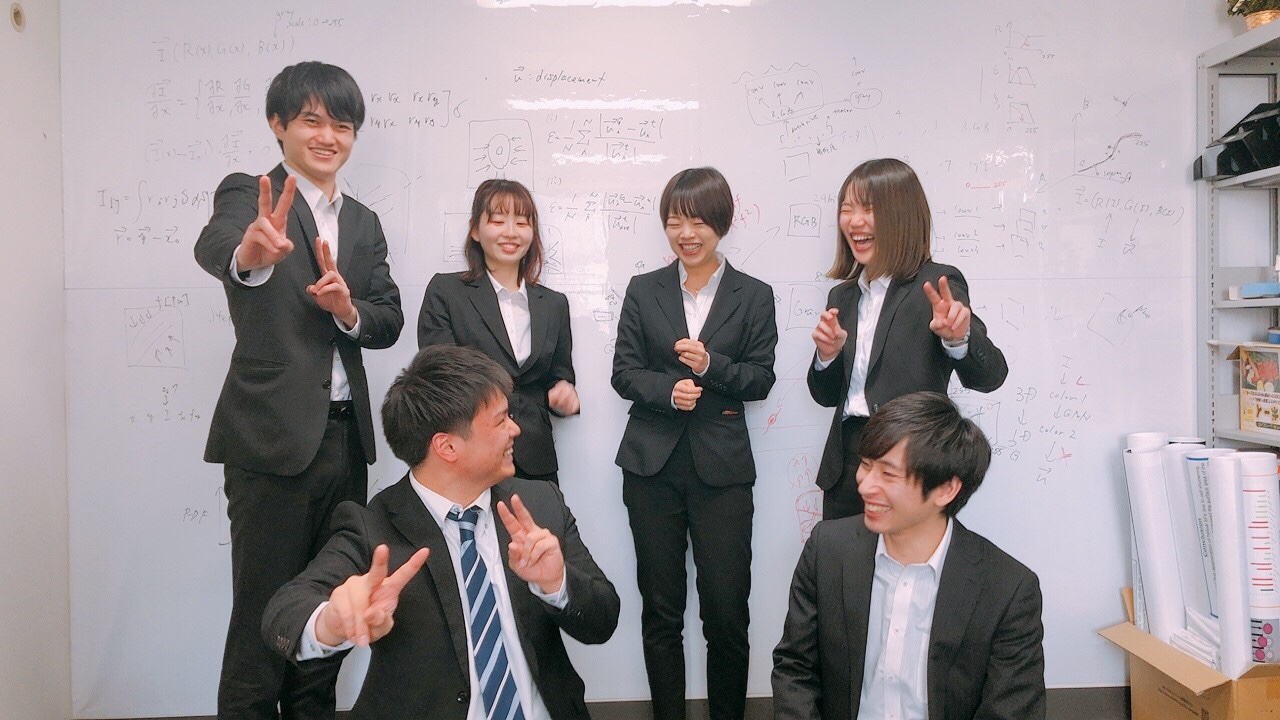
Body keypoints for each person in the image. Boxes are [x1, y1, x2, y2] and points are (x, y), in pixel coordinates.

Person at [193, 61, 403, 719]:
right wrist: (250, 255)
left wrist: (349, 310)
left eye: (342, 125)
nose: (328, 137)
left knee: (330, 617)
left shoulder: (364, 222)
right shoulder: (248, 193)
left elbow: (388, 318)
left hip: (347, 444)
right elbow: (219, 244)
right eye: (312, 120)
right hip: (271, 441)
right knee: (262, 621)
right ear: (277, 124)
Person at [262, 345, 620, 720]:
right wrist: (331, 622)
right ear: (447, 446)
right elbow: (283, 611)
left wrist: (557, 583)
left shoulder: (539, 504)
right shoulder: (374, 525)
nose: (516, 429)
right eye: (501, 420)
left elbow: (603, 621)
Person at [611, 167, 778, 720]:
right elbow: (624, 372)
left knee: (726, 614)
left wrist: (712, 367)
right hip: (651, 468)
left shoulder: (755, 295)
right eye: (675, 221)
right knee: (661, 612)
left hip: (723, 471)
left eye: (699, 221)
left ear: (722, 223)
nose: (686, 233)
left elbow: (761, 379)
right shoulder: (644, 289)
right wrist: (668, 391)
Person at [771, 391, 1046, 720]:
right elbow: (795, 669)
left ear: (946, 489)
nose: (865, 485)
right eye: (866, 465)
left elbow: (1011, 710)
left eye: (888, 474)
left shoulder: (1008, 588)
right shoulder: (828, 549)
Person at [808, 158, 1007, 521]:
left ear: (901, 215)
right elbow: (824, 396)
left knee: (906, 556)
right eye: (847, 209)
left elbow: (991, 376)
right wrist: (827, 357)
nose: (854, 221)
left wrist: (959, 339)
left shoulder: (936, 283)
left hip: (911, 461)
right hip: (847, 463)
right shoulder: (842, 296)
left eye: (869, 208)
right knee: (840, 556)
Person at [418, 179, 578, 484]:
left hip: (535, 460)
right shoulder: (446, 291)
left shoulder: (554, 304)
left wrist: (563, 392)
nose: (511, 232)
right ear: (475, 230)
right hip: (467, 454)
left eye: (522, 222)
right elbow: (438, 376)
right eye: (498, 220)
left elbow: (560, 374)